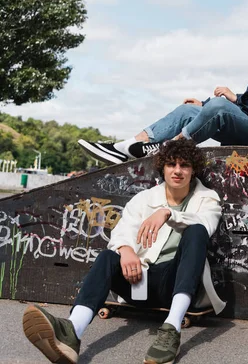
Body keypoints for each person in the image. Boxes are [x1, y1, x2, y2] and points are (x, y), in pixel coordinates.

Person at [22, 139, 226, 364]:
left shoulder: (207, 199)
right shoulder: (144, 199)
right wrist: (126, 249)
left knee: (196, 232)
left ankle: (171, 329)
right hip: (140, 282)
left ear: (193, 169)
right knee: (109, 257)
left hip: (176, 284)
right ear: (163, 168)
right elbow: (122, 231)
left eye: (184, 165)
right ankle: (73, 332)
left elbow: (206, 224)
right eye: (171, 164)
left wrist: (167, 213)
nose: (177, 171)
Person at [78, 9, 248, 165]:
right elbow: (241, 108)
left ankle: (168, 147)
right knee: (188, 111)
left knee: (220, 104)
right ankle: (126, 147)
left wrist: (235, 98)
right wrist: (205, 105)